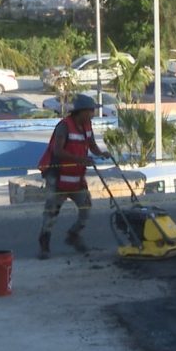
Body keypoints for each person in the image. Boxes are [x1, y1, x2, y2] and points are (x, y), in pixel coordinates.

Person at [36, 93, 110, 259]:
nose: (92, 114)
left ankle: (73, 235)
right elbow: (58, 151)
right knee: (52, 212)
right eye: (91, 111)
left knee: (86, 208)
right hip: (57, 175)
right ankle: (44, 244)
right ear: (82, 111)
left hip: (76, 176)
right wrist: (81, 159)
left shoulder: (87, 125)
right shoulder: (64, 126)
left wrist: (101, 153)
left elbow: (91, 144)